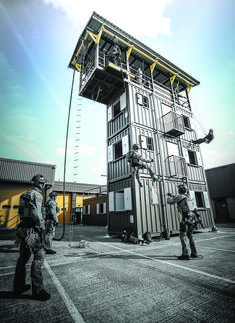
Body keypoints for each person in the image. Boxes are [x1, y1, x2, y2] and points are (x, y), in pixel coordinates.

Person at [13, 174, 51, 301]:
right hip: (34, 231)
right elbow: (36, 213)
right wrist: (41, 229)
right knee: (38, 259)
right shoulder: (37, 196)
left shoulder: (24, 195)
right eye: (43, 184)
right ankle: (38, 291)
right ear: (41, 184)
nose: (43, 186)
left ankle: (18, 287)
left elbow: (21, 213)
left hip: (24, 230)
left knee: (22, 258)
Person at [167, 184, 199, 260]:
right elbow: (178, 198)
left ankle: (185, 254)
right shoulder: (188, 196)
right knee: (190, 235)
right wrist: (173, 196)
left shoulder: (180, 197)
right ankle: (194, 253)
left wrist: (168, 197)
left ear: (180, 190)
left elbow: (170, 202)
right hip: (192, 217)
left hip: (185, 217)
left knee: (182, 235)